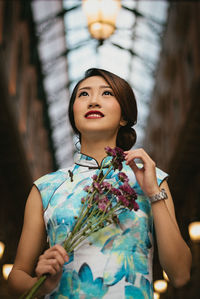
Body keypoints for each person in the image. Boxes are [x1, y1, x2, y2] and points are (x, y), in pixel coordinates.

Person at [8, 68, 192, 298]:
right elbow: (17, 276)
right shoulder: (46, 187)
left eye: (106, 94)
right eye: (83, 95)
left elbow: (181, 274)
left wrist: (153, 192)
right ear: (73, 113)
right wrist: (42, 284)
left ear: (124, 116)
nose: (93, 101)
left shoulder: (151, 179)